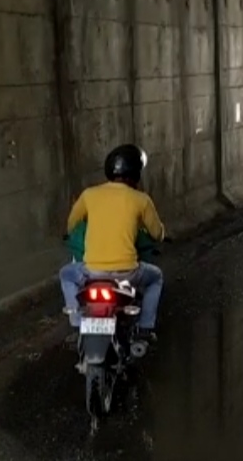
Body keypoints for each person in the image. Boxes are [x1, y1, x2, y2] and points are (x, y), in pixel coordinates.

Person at [60, 144, 166, 340]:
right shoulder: (141, 200)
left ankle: (76, 324)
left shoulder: (89, 195)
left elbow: (71, 224)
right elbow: (157, 233)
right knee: (156, 278)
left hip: (91, 272)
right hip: (128, 272)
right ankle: (145, 328)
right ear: (136, 173)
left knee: (66, 275)